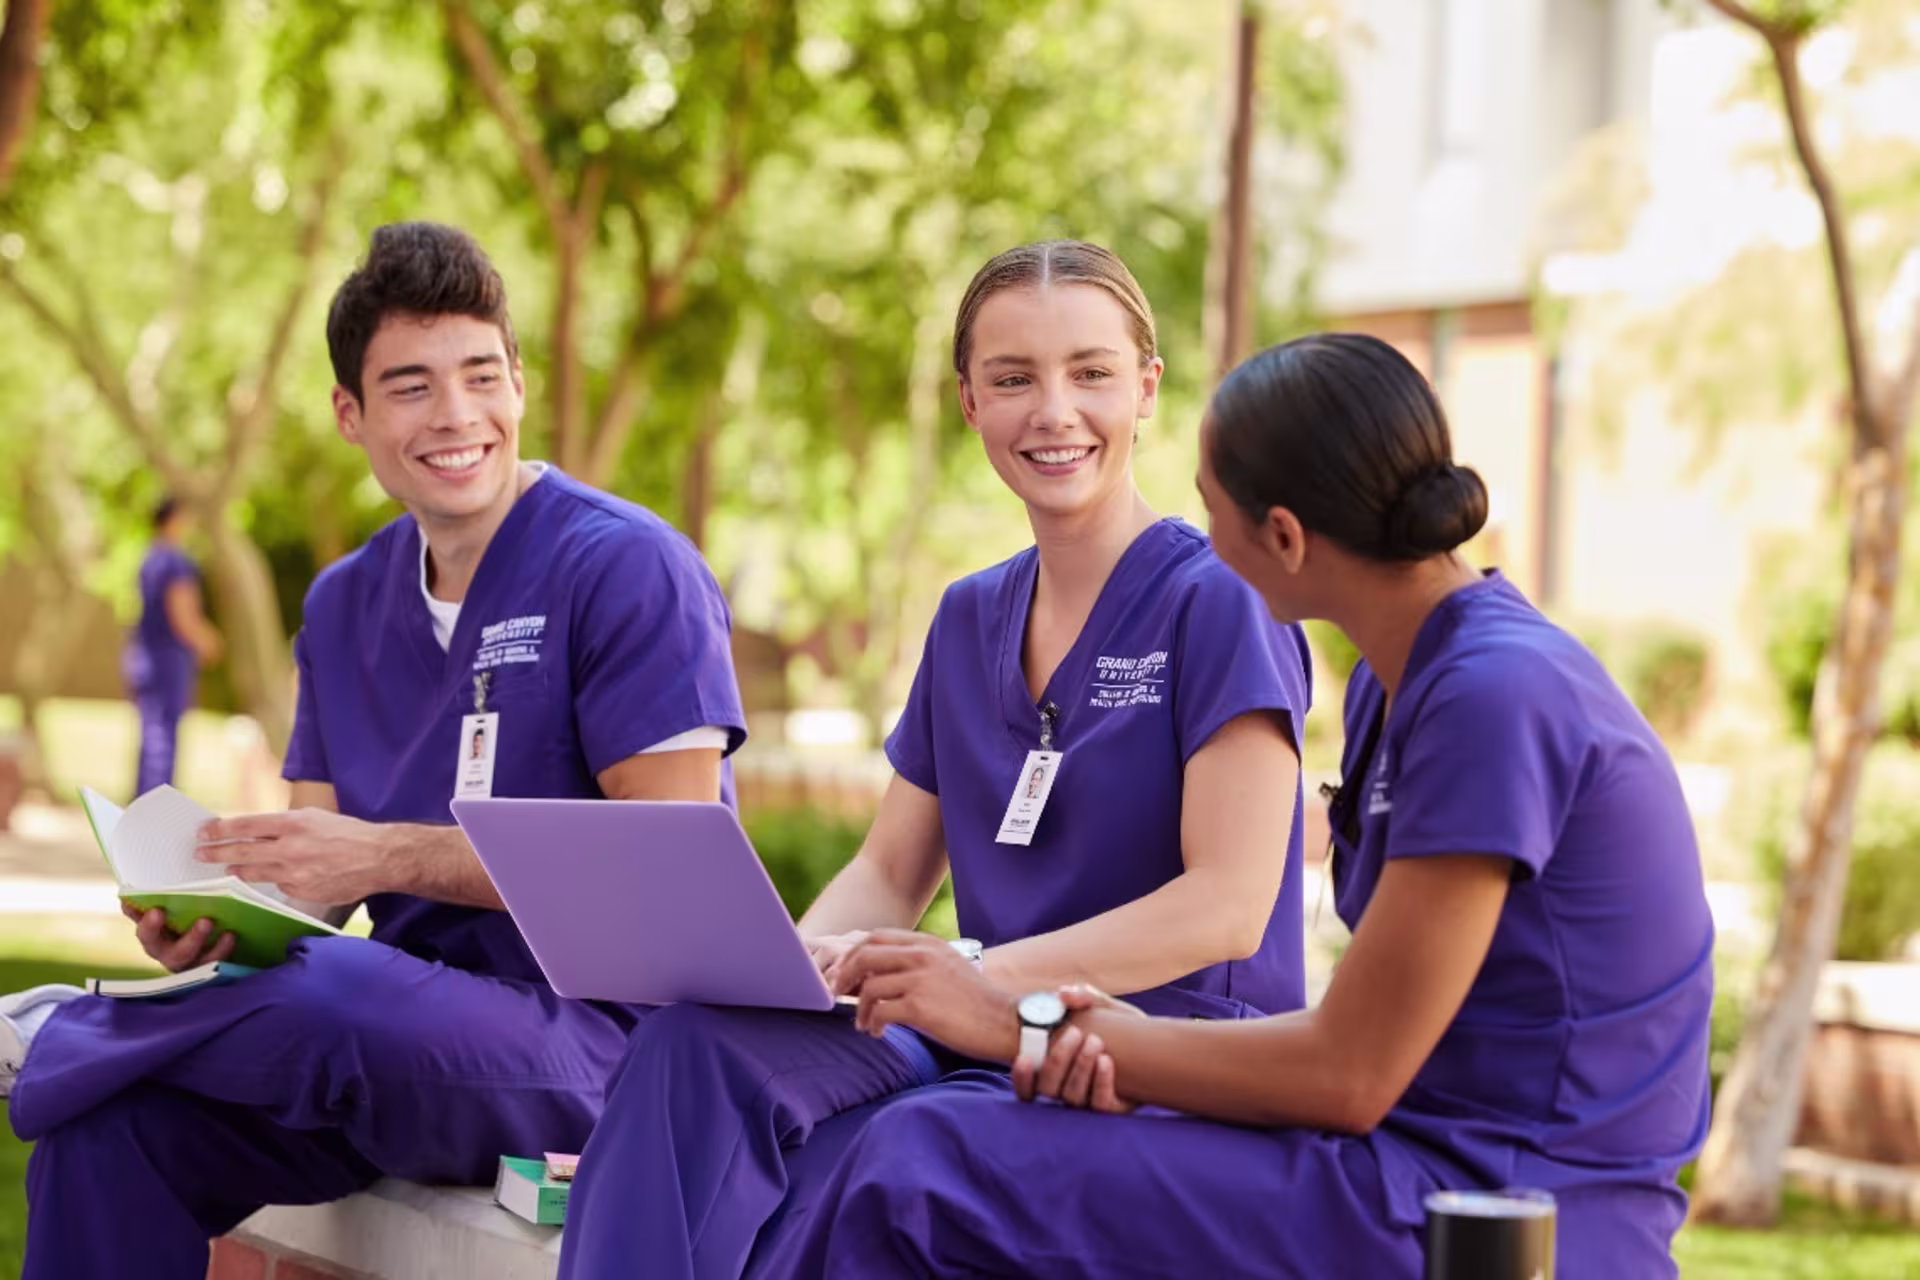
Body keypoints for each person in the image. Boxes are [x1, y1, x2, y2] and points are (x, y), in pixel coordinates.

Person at [755, 333, 1715, 1280]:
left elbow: (1349, 1073)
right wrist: (1113, 1058)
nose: (1196, 542)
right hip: (1396, 1152)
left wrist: (1034, 1026)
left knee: (922, 1169)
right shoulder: (1409, 681)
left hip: (1502, 1201)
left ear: (1285, 538)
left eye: (1212, 513)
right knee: (940, 1133)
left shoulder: (1493, 697)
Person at [0, 222, 748, 1280]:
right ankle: (97, 1042)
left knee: (332, 994)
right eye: (410, 386)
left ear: (520, 386)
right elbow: (309, 884)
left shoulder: (627, 569)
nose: (456, 415)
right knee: (108, 1130)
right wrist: (217, 921)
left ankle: (70, 1028)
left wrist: (392, 855)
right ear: (350, 414)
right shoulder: (345, 600)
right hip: (400, 1044)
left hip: (611, 1048)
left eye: (481, 375)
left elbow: (675, 878)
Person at [555, 240, 1316, 1280]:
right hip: (975, 1026)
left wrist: (982, 978)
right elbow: (889, 871)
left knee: (863, 1159)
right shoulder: (968, 619)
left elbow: (1226, 904)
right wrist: (782, 971)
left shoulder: (1220, 600)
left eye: (1089, 372)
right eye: (1013, 378)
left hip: (1141, 1044)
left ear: (1146, 389)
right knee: (688, 1048)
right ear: (969, 400)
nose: (1053, 410)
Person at [124, 496, 224, 796]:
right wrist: (208, 641)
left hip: (143, 655)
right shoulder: (176, 561)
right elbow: (182, 613)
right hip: (168, 658)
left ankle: (142, 803)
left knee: (149, 733)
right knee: (163, 737)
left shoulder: (148, 558)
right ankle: (156, 809)